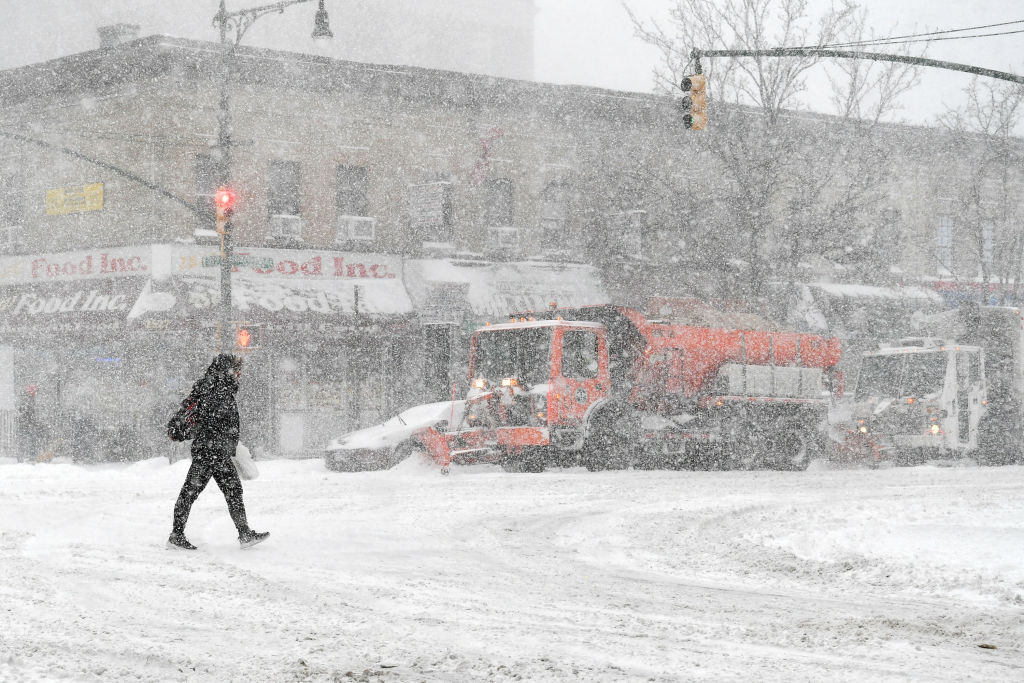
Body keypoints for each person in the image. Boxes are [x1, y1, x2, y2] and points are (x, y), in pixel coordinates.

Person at [168, 353, 269, 550]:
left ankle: (243, 534)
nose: (239, 374)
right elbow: (213, 422)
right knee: (196, 492)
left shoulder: (213, 387)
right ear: (227, 371)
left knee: (225, 491)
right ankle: (177, 535)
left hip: (213, 451)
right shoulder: (216, 390)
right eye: (236, 370)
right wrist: (223, 440)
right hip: (211, 451)